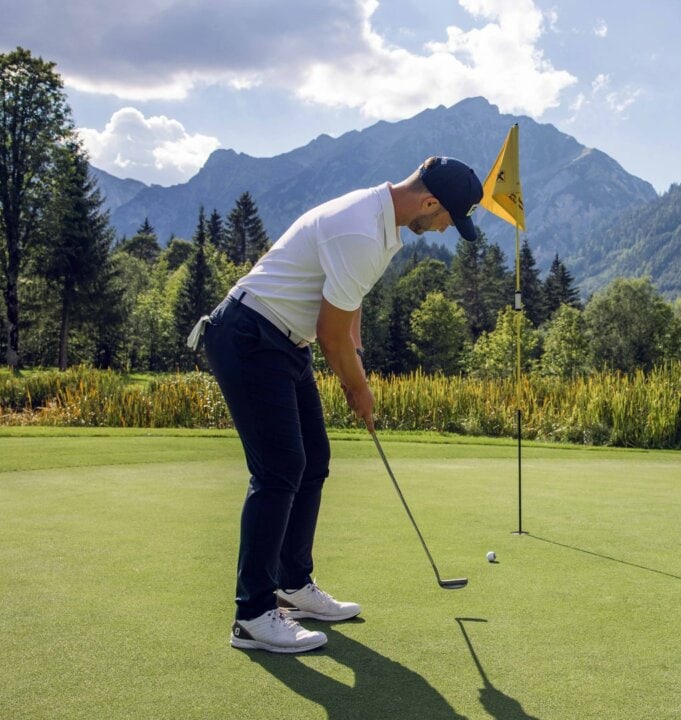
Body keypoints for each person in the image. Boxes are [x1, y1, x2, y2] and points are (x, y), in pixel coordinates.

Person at [191, 156, 484, 653]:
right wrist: (358, 386)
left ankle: (292, 585)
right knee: (280, 469)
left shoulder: (381, 219)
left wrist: (359, 358)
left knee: (313, 462)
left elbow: (350, 300)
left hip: (285, 341)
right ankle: (253, 614)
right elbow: (331, 334)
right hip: (249, 336)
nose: (441, 231)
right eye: (446, 220)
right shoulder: (362, 231)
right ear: (430, 202)